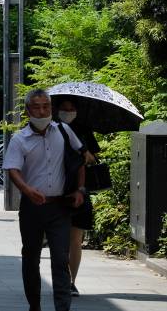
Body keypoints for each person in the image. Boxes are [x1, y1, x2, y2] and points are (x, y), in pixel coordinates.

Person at [3, 89, 87, 311]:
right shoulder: (20, 139)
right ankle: (35, 305)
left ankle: (62, 307)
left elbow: (80, 160)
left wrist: (80, 190)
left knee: (60, 258)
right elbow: (12, 169)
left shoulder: (64, 131)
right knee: (31, 258)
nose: (42, 111)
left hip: (60, 206)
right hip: (32, 208)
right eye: (37, 107)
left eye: (46, 106)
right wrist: (27, 190)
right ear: (28, 110)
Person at [55, 98, 99, 298]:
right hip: (56, 191)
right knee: (59, 240)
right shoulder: (51, 129)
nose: (68, 112)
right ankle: (62, 279)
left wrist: (84, 153)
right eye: (64, 109)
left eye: (72, 109)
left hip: (80, 190)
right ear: (57, 110)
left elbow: (93, 158)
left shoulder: (83, 129)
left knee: (75, 240)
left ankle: (72, 281)